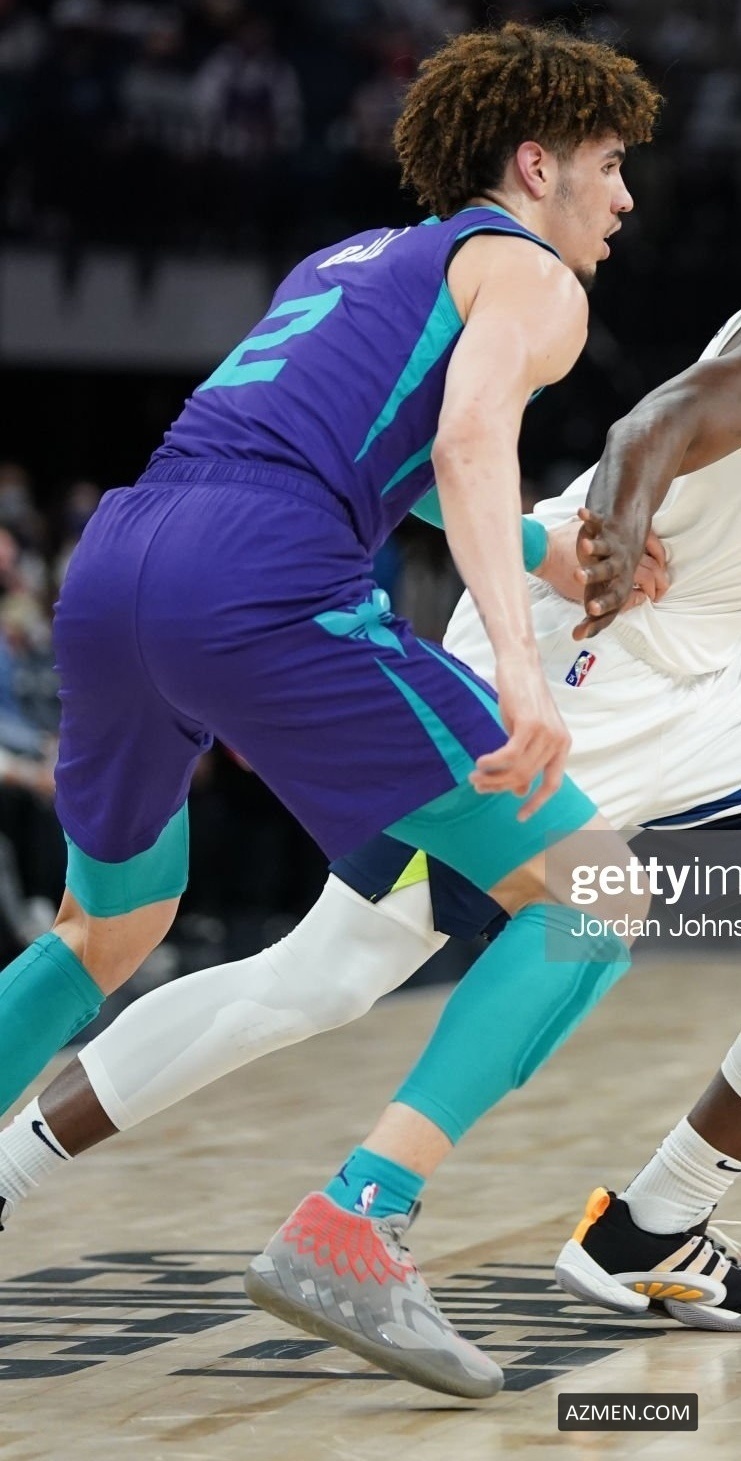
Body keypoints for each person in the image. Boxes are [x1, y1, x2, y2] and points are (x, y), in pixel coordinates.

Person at [0, 22, 659, 1399]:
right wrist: (519, 670)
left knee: (106, 926)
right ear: (535, 164)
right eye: (606, 164)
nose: (623, 197)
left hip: (124, 560)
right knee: (596, 891)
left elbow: (368, 457)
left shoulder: (350, 258)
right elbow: (466, 441)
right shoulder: (533, 275)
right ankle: (360, 1217)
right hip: (262, 582)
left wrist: (541, 552)